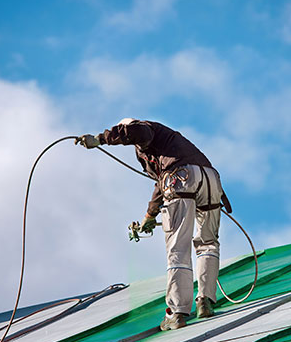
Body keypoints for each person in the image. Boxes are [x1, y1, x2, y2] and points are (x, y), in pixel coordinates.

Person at [76, 118, 230, 330]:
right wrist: (150, 216)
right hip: (210, 179)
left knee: (178, 248)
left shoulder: (144, 130)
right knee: (208, 243)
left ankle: (177, 312)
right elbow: (161, 183)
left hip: (182, 179)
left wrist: (101, 139)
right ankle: (205, 301)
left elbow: (138, 133)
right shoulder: (169, 145)